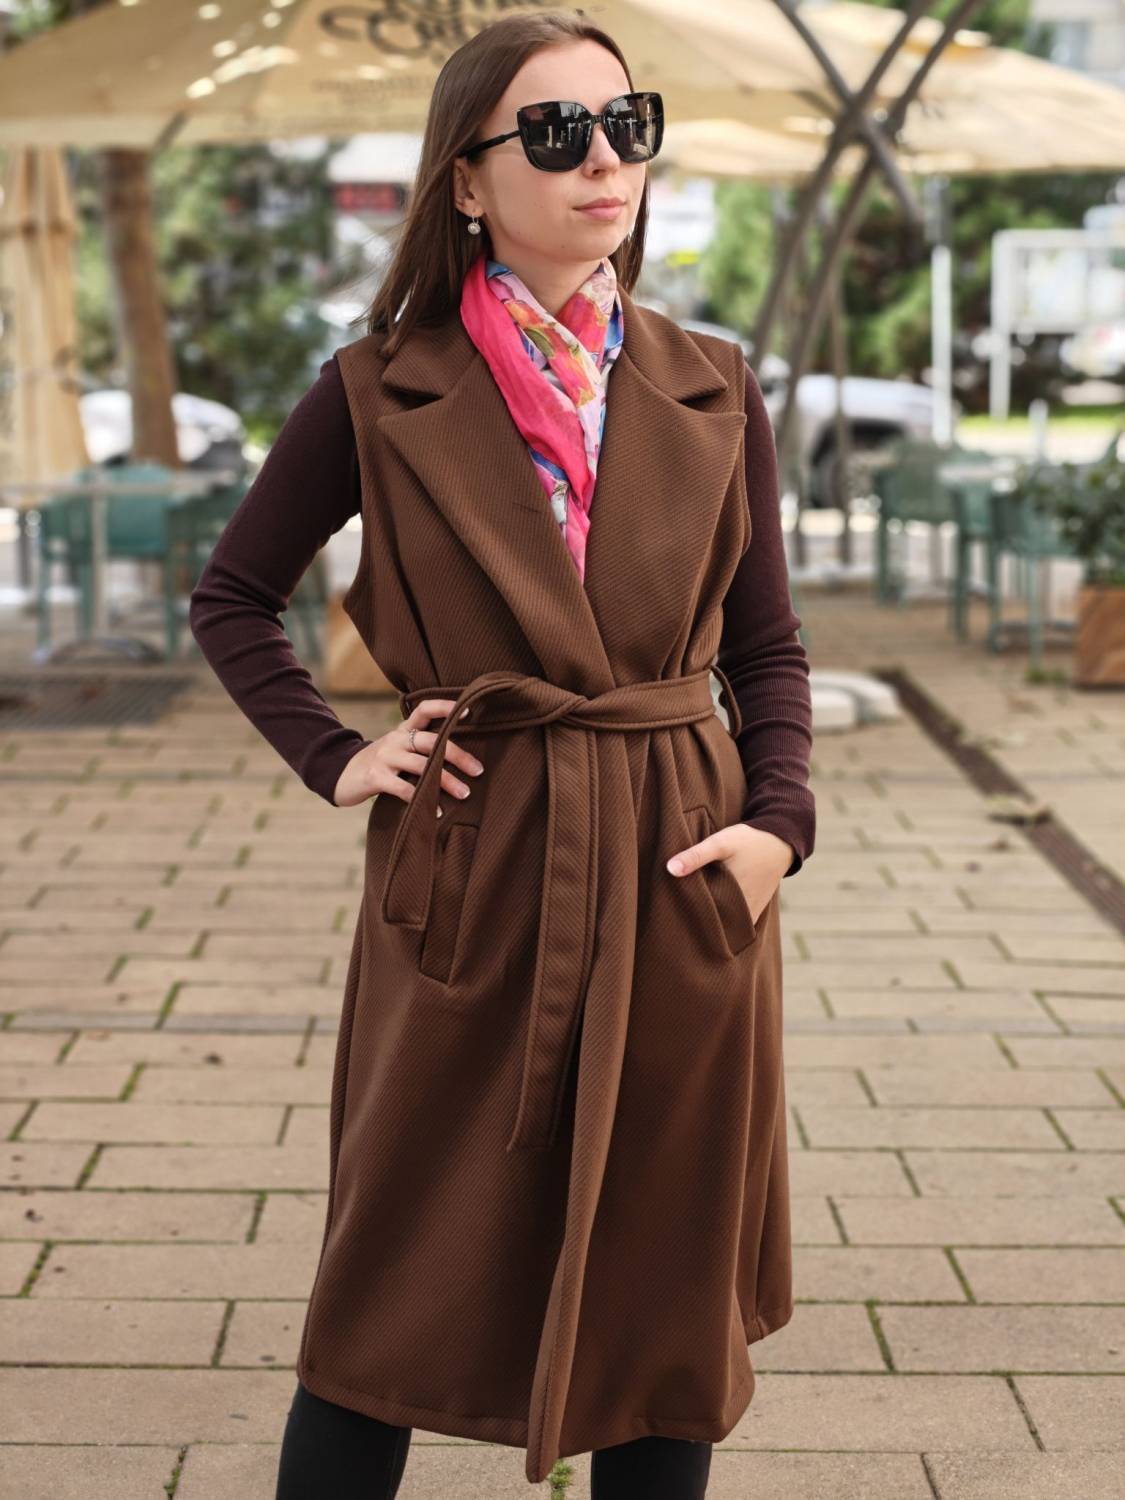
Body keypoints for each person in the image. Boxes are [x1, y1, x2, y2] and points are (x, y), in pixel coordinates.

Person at [189, 13, 816, 1499]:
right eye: (555, 132)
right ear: (465, 180)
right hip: (475, 860)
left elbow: (766, 646)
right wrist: (338, 757)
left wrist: (778, 828)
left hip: (679, 861)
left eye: (625, 123)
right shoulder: (377, 388)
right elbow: (232, 595)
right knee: (392, 1277)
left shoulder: (713, 383)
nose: (604, 160)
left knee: (662, 1285)